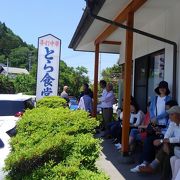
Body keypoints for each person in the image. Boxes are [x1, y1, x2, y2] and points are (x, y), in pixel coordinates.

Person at [130, 100, 177, 174]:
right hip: (165, 137)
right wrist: (160, 131)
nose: (167, 112)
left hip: (172, 141)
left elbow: (176, 137)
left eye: (168, 110)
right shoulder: (172, 121)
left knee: (150, 139)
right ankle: (144, 163)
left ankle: (147, 164)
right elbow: (168, 132)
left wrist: (163, 141)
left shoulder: (174, 120)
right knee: (149, 138)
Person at [139, 105, 180, 180]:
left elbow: (178, 138)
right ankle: (160, 174)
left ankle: (153, 167)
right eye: (169, 114)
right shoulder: (173, 123)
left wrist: (163, 141)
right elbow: (168, 133)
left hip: (177, 144)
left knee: (168, 151)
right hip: (174, 144)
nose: (169, 116)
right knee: (167, 152)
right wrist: (165, 143)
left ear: (178, 115)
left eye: (172, 114)